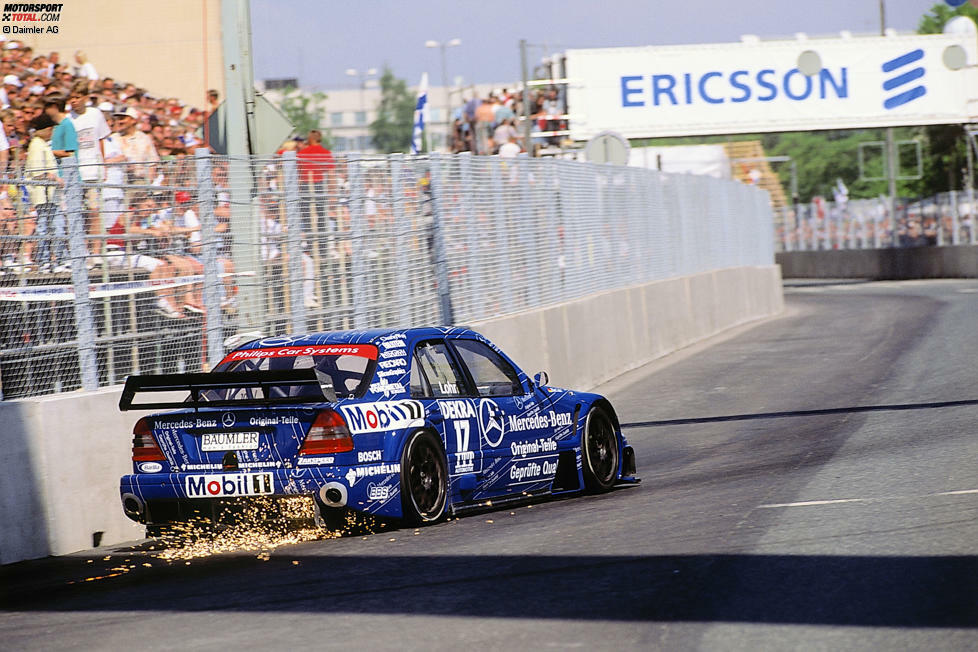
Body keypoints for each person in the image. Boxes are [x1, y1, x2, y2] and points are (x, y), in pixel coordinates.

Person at [67, 80, 110, 255]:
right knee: (77, 213)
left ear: (85, 97)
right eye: (71, 98)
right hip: (76, 172)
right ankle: (80, 250)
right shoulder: (68, 118)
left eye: (77, 97)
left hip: (93, 170)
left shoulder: (95, 114)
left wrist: (103, 165)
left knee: (94, 211)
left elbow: (100, 140)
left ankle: (96, 252)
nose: (74, 101)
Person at [24, 113, 61, 270]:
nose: (52, 132)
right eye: (51, 129)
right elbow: (37, 172)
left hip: (49, 195)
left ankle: (56, 258)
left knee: (55, 226)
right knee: (44, 228)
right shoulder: (37, 145)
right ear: (46, 129)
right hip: (43, 195)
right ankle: (44, 259)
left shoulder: (42, 144)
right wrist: (54, 178)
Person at [296, 129, 334, 236]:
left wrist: (298, 190)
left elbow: (298, 174)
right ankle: (321, 243)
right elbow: (330, 175)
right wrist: (332, 193)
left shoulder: (302, 153)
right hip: (319, 186)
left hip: (305, 186)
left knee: (307, 216)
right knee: (321, 215)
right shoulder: (326, 153)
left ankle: (310, 242)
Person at [113, 106, 158, 184]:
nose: (119, 122)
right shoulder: (113, 138)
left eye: (123, 118)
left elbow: (152, 162)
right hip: (118, 182)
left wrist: (148, 183)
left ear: (133, 120)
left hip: (139, 183)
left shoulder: (144, 138)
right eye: (118, 119)